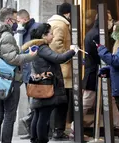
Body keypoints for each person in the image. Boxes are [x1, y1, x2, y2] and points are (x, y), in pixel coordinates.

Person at [0, 7, 37, 143]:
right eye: (15, 20)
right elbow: (12, 59)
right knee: (9, 115)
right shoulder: (7, 35)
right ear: (8, 20)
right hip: (10, 78)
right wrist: (29, 56)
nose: (17, 24)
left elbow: (4, 53)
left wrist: (21, 49)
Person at [22, 23, 77, 143]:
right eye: (51, 33)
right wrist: (72, 51)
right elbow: (58, 58)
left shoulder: (36, 47)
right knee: (43, 116)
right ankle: (41, 140)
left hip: (39, 86)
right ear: (44, 35)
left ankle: (34, 139)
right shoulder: (43, 48)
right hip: (46, 87)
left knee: (38, 114)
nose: (52, 35)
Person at [78, 11, 119, 135]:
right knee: (87, 101)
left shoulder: (94, 32)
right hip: (95, 73)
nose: (111, 22)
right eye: (109, 20)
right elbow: (100, 55)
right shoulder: (97, 35)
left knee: (110, 100)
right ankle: (75, 126)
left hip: (96, 71)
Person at [97, 20, 119, 143]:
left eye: (115, 30)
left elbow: (118, 61)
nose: (113, 33)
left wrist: (102, 51)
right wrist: (107, 70)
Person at [47, 2, 72, 140]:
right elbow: (56, 45)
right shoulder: (61, 24)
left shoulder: (54, 22)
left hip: (57, 69)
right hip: (62, 70)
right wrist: (67, 56)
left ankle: (55, 130)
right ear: (67, 13)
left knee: (57, 101)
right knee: (62, 102)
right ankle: (58, 131)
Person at [16, 9, 40, 139]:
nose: (18, 23)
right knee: (32, 102)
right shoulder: (23, 30)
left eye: (19, 20)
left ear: (24, 19)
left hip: (33, 71)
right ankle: (32, 131)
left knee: (35, 102)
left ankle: (34, 131)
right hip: (26, 71)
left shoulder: (35, 28)